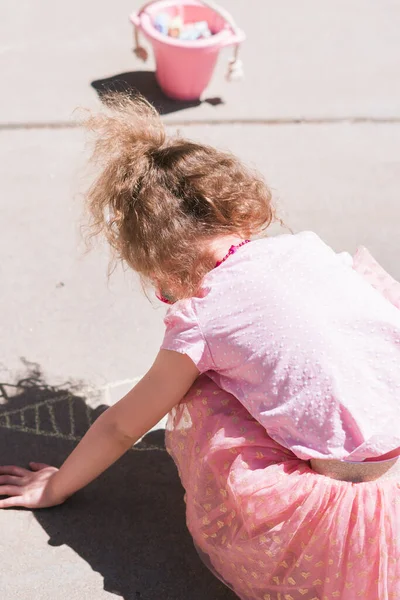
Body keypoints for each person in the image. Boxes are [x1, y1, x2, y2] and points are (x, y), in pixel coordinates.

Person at [1, 95, 400, 600]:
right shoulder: (308, 248)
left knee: (196, 389)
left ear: (155, 260)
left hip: (338, 513)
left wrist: (56, 486)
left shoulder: (202, 315)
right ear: (239, 206)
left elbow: (123, 424)